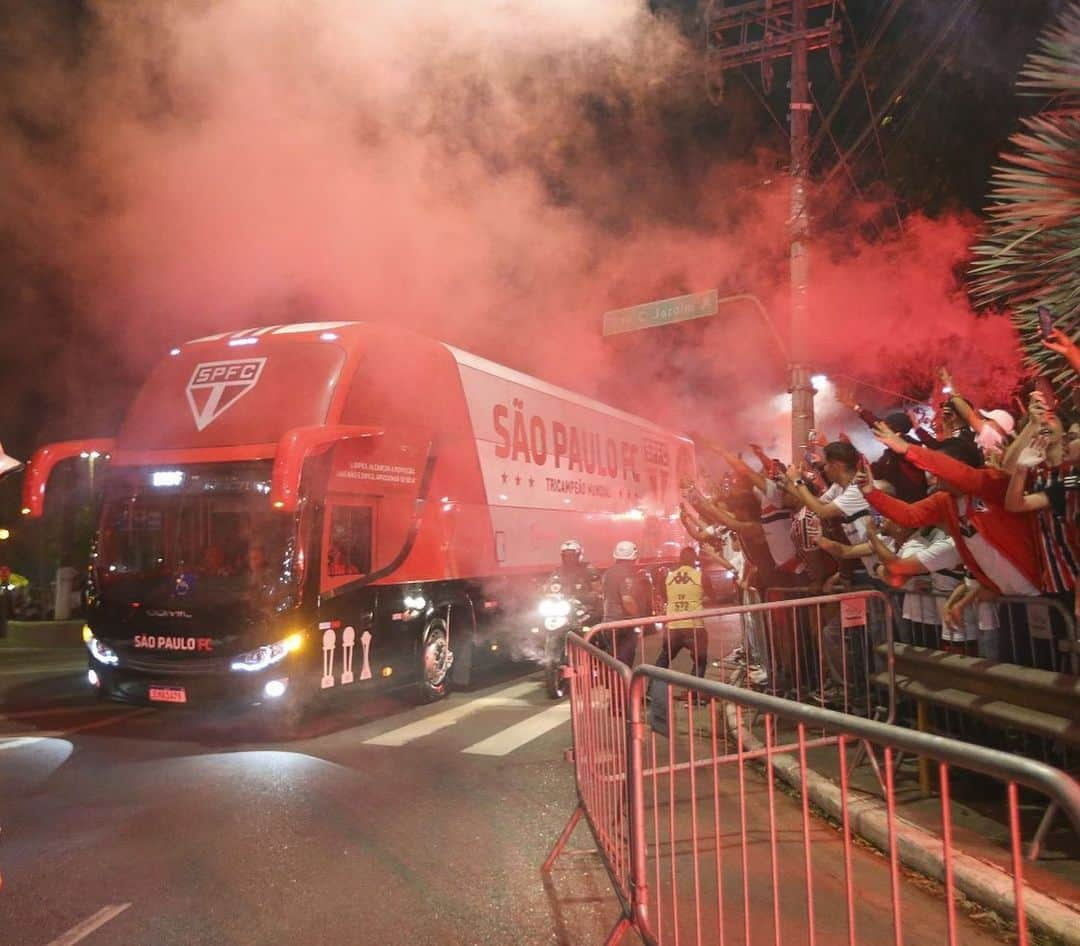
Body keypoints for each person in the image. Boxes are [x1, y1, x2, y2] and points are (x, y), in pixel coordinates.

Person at [601, 540, 653, 666]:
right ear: (634, 557)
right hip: (624, 624)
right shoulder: (627, 574)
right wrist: (638, 620)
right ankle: (623, 685)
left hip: (608, 623)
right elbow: (628, 600)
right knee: (624, 662)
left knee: (612, 660)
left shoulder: (608, 573)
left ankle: (612, 684)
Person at [658, 547, 708, 678]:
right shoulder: (700, 576)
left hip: (673, 626)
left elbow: (665, 597)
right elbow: (712, 596)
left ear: (680, 560)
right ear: (694, 559)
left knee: (664, 659)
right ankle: (695, 692)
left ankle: (653, 691)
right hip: (694, 626)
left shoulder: (669, 577)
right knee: (700, 660)